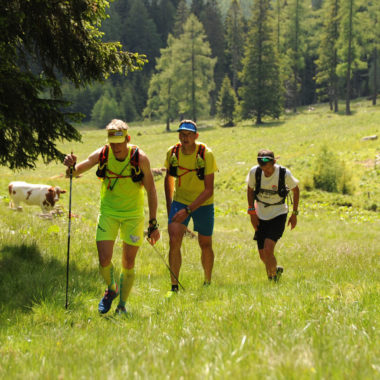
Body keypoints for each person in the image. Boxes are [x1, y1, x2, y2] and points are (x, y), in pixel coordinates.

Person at [64, 119, 160, 315]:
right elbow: (76, 172)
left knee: (129, 262)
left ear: (128, 139)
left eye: (119, 142)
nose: (116, 148)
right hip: (108, 212)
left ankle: (122, 306)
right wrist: (71, 166)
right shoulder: (103, 153)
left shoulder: (140, 158)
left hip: (133, 215)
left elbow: (151, 189)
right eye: (112, 143)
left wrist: (153, 223)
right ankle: (112, 288)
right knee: (104, 258)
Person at [164, 120, 218, 296]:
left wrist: (188, 210)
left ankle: (207, 281)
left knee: (205, 243)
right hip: (180, 201)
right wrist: (170, 206)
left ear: (196, 136)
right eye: (182, 134)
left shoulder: (206, 154)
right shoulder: (172, 153)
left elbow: (209, 190)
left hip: (203, 203)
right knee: (174, 240)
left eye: (188, 134)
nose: (184, 138)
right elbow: (169, 178)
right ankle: (174, 286)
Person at [246, 149, 300, 282]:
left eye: (268, 168)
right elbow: (250, 189)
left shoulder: (283, 173)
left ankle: (273, 280)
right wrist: (252, 211)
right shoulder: (255, 172)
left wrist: (294, 213)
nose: (266, 172)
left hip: (278, 213)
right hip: (260, 214)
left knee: (268, 249)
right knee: (263, 255)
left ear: (274, 162)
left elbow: (296, 190)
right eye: (263, 168)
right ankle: (275, 270)